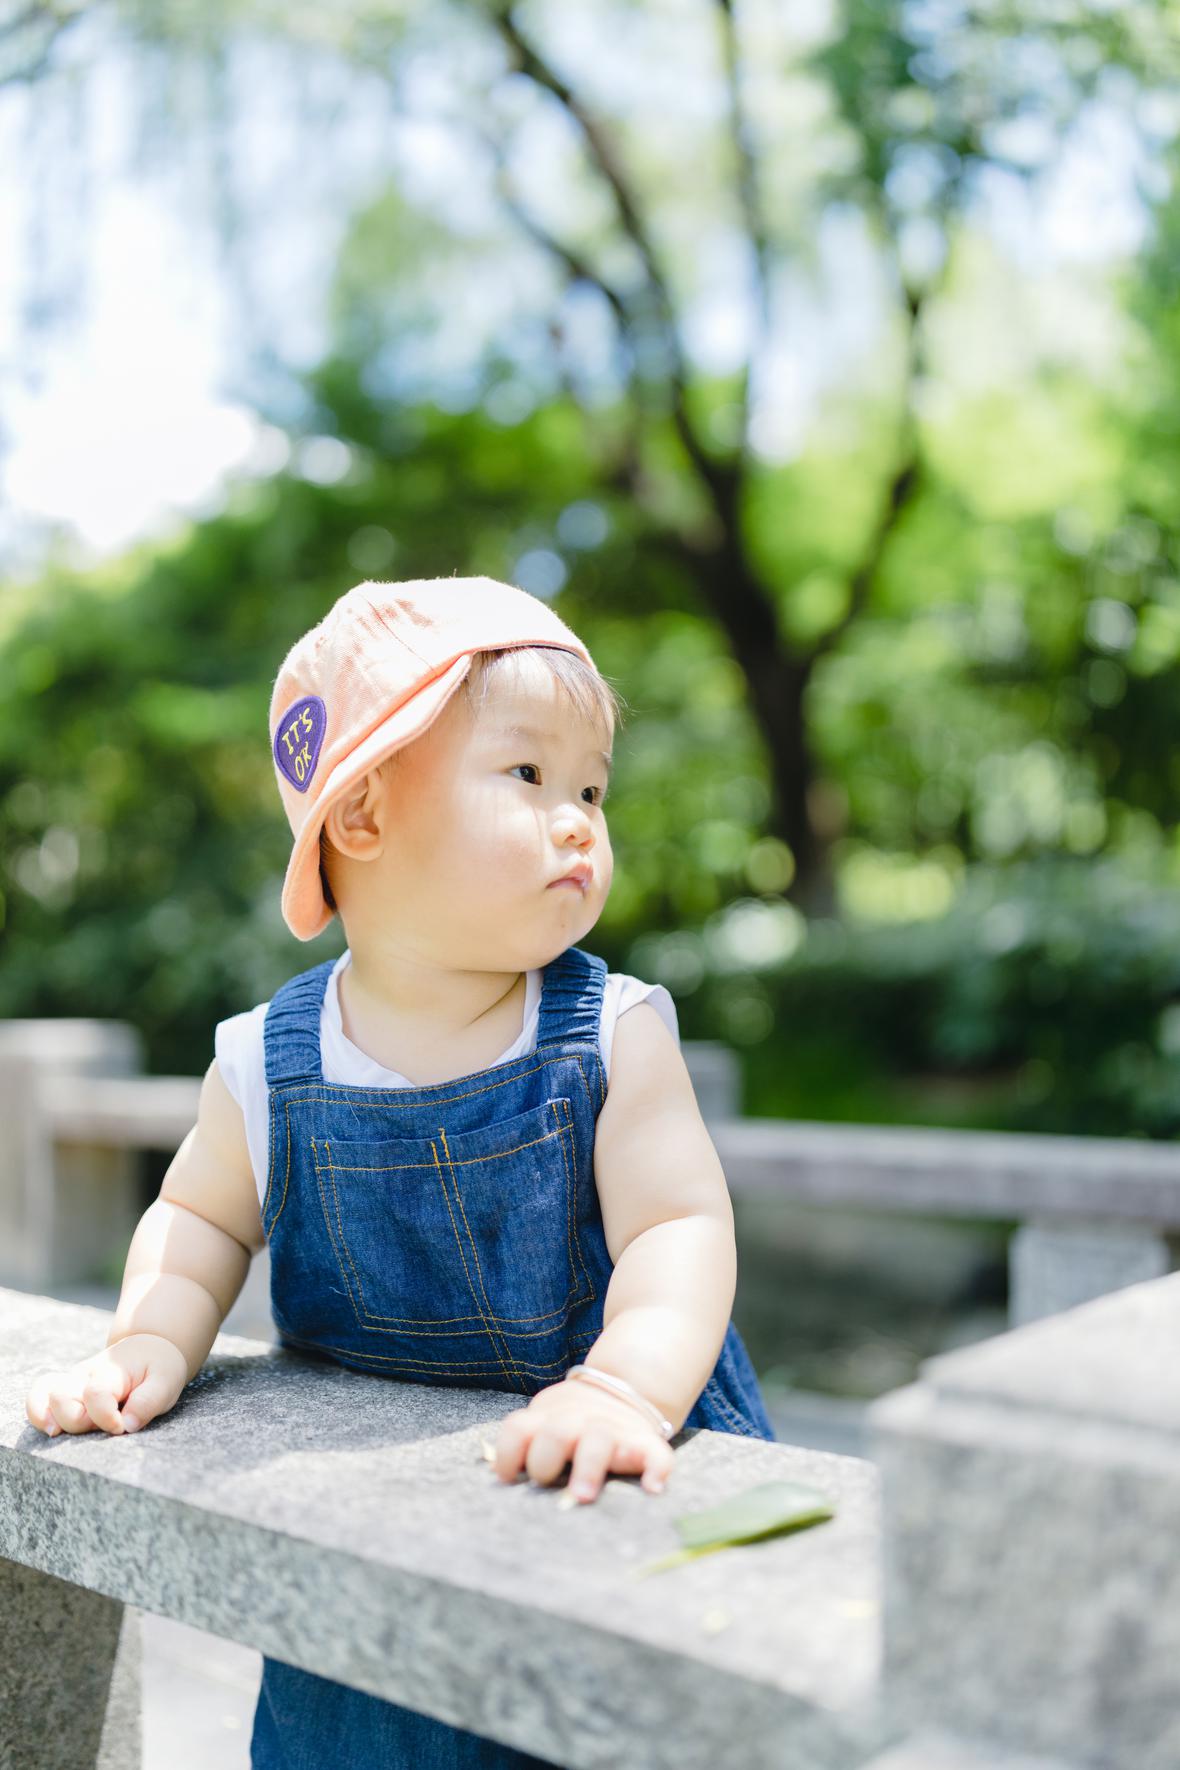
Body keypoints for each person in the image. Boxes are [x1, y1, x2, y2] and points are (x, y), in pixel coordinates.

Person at [25, 574, 776, 1770]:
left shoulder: (608, 1033)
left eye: (591, 789)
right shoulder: (267, 1062)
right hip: (365, 1517)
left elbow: (677, 1227)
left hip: (601, 1473)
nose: (578, 821)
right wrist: (148, 1342)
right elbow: (197, 1218)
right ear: (362, 814)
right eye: (527, 775)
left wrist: (625, 1390)